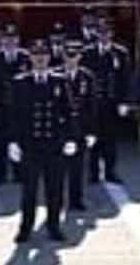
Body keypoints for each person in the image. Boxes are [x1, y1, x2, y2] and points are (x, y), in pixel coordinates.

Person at [8, 37, 76, 242]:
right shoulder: (20, 81)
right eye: (36, 56)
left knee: (54, 189)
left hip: (53, 143)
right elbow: (13, 113)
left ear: (49, 58)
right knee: (29, 190)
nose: (40, 60)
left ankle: (53, 226)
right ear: (30, 58)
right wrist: (12, 141)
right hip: (30, 143)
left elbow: (68, 111)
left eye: (43, 56)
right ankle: (25, 228)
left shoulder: (59, 80)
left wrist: (71, 137)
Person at [83, 13, 131, 183]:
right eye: (101, 32)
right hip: (94, 103)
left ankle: (111, 171)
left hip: (111, 102)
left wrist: (124, 101)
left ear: (111, 34)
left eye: (107, 32)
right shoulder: (88, 53)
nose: (104, 35)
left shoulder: (120, 52)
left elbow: (124, 78)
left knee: (110, 140)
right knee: (93, 138)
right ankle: (93, 173)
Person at [0, 23, 30, 185]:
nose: (10, 41)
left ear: (18, 40)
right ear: (2, 40)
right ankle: (0, 173)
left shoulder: (26, 57)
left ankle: (19, 172)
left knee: (20, 138)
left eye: (13, 38)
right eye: (7, 38)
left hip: (21, 106)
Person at [59, 36, 95, 210]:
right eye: (68, 55)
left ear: (79, 57)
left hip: (79, 127)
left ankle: (76, 200)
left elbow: (91, 105)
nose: (71, 59)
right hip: (60, 129)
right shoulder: (56, 75)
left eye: (74, 55)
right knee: (57, 169)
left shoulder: (86, 76)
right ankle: (56, 201)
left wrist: (91, 131)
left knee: (78, 168)